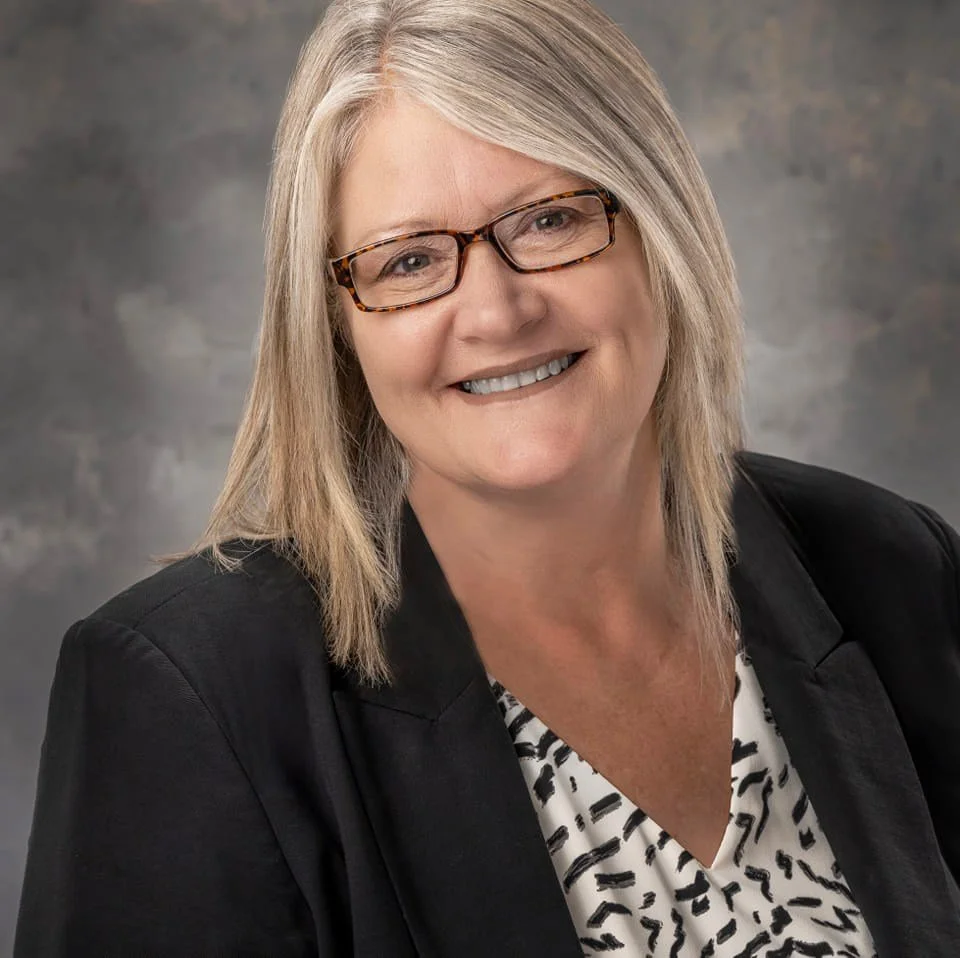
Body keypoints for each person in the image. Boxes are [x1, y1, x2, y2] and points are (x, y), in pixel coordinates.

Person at [14, 0, 960, 954]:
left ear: (661, 226)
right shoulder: (186, 695)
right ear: (336, 323)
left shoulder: (894, 569)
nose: (498, 312)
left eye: (551, 219)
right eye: (411, 260)